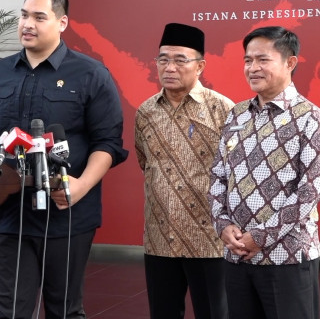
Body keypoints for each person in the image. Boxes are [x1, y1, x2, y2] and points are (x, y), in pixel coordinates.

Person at [0, 0, 128, 319]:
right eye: (24, 15)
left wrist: (81, 186)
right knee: (9, 311)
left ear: (62, 22)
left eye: (39, 17)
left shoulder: (91, 74)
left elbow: (108, 143)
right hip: (9, 214)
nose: (27, 24)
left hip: (67, 213)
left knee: (64, 310)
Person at [208, 26, 320, 319]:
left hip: (287, 258)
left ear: (290, 63)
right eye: (248, 60)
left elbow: (309, 190)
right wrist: (222, 225)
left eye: (262, 60)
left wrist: (260, 236)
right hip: (237, 255)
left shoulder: (310, 118)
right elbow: (218, 175)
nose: (252, 68)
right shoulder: (237, 114)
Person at [135, 23, 233, 319]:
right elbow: (145, 162)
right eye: (163, 59)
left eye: (180, 60)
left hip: (209, 239)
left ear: (200, 66)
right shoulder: (146, 112)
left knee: (215, 313)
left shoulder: (223, 110)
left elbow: (234, 172)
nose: (169, 67)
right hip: (160, 236)